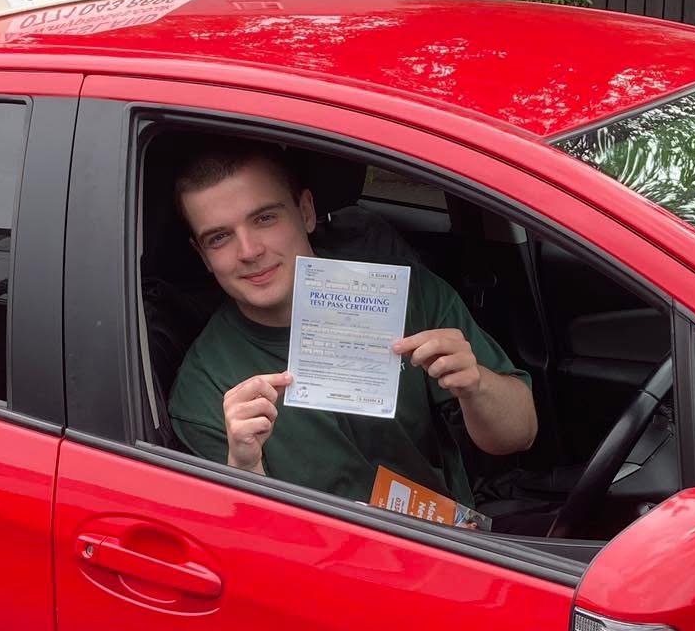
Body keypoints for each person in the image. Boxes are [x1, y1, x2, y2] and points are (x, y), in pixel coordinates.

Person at [166, 142, 537, 508]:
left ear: (306, 212)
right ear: (202, 255)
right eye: (219, 237)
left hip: (444, 542)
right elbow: (246, 543)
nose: (248, 251)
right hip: (321, 562)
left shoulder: (407, 296)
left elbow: (519, 435)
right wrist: (244, 467)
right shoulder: (203, 389)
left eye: (265, 218)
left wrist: (475, 385)